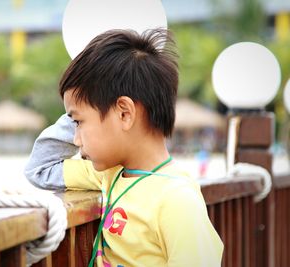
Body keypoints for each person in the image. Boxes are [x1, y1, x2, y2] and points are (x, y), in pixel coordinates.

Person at [25, 28, 223, 267]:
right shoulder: (110, 174)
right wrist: (78, 106)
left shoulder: (177, 200)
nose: (75, 140)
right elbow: (40, 168)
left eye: (77, 122)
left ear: (124, 113)